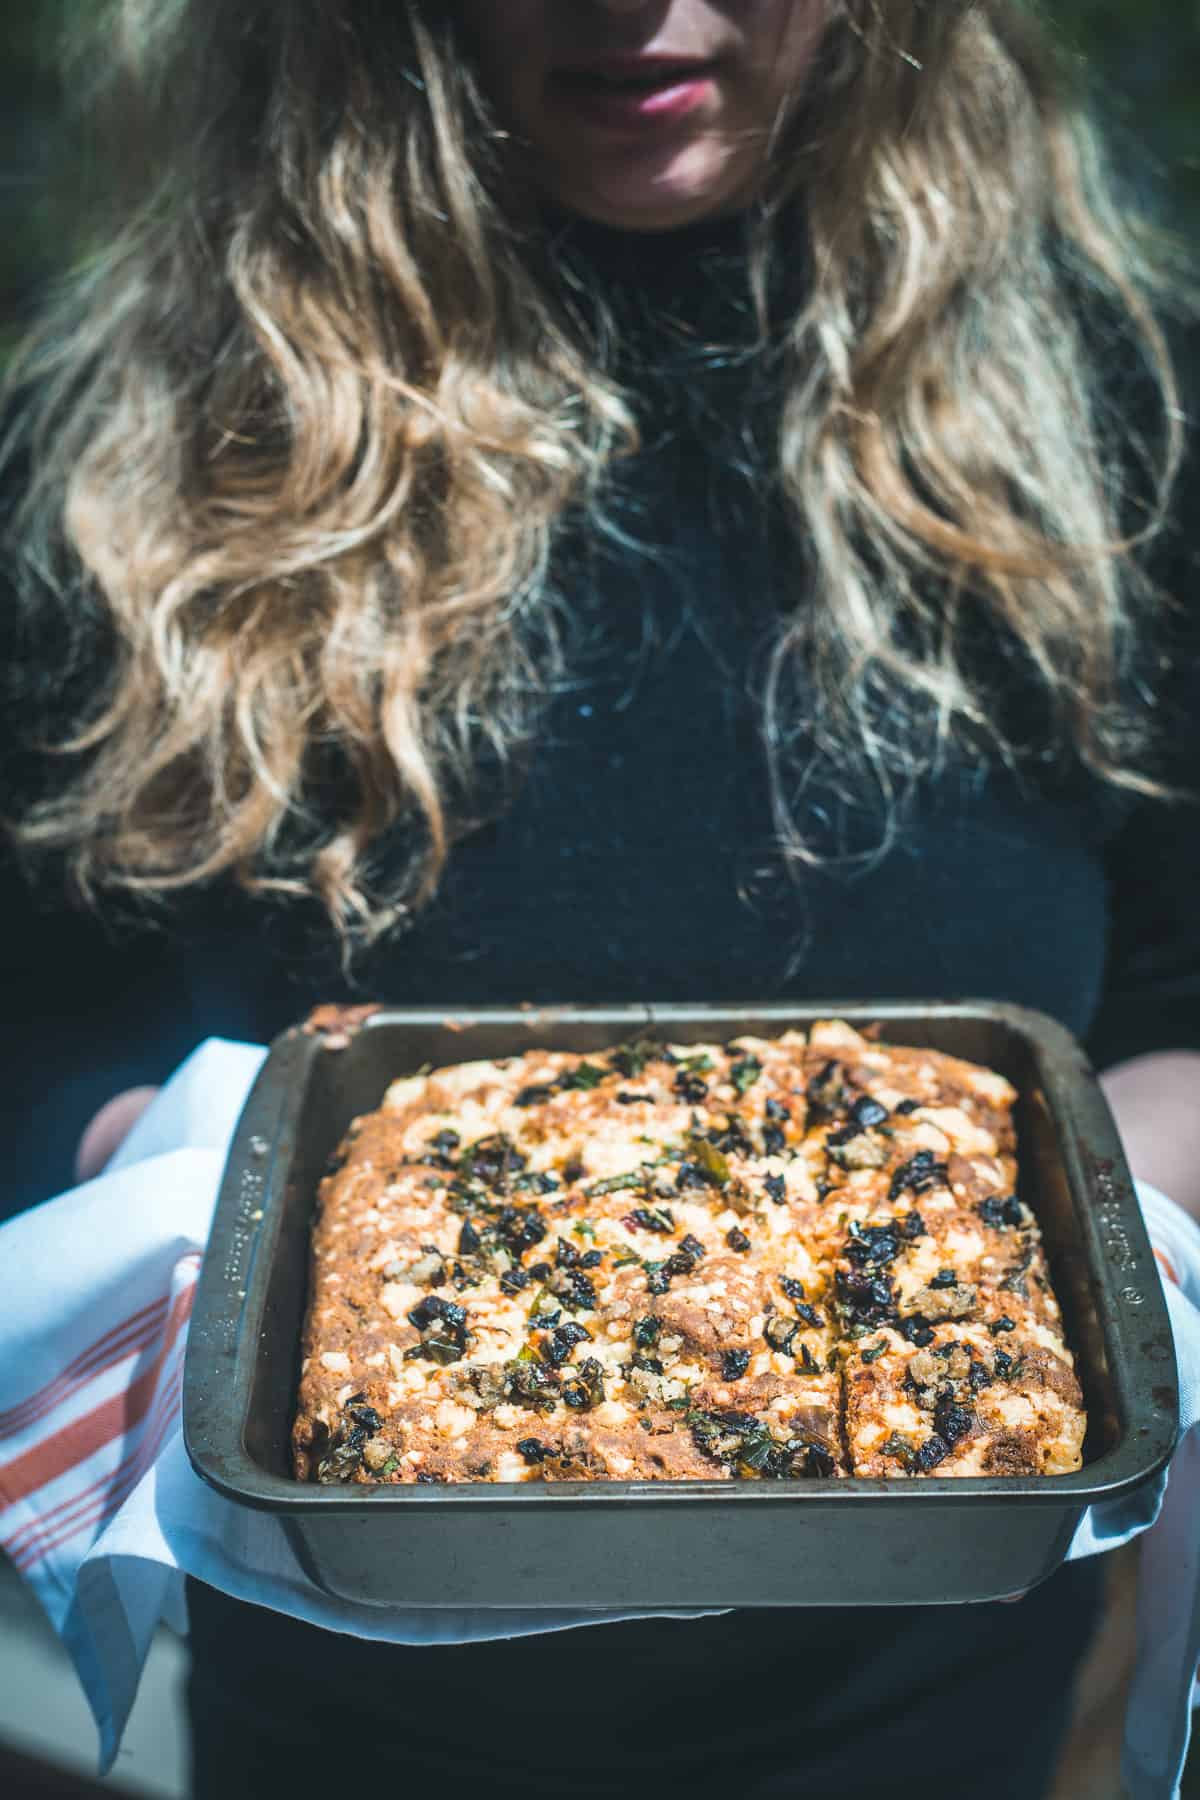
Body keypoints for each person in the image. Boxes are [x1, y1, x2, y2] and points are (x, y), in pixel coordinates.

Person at [2, 1, 1198, 1794]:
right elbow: (39, 1020)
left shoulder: (1126, 410)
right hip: (333, 1715)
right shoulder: (115, 444)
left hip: (956, 1710)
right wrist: (183, 1181)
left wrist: (1087, 1237)